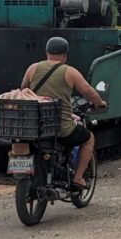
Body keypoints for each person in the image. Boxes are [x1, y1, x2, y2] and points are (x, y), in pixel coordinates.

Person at [21, 37, 107, 189]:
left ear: (46, 52)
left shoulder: (32, 68)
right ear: (65, 55)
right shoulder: (69, 72)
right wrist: (99, 103)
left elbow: (24, 90)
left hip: (34, 126)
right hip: (61, 128)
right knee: (88, 139)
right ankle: (78, 178)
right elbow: (88, 91)